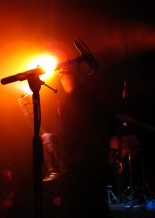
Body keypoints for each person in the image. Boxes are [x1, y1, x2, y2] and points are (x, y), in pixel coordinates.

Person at [42, 60, 119, 218]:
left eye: (64, 74)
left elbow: (74, 134)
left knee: (79, 210)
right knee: (96, 208)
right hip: (97, 171)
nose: (61, 78)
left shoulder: (72, 101)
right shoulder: (95, 102)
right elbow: (112, 122)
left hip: (80, 174)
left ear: (78, 77)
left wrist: (53, 138)